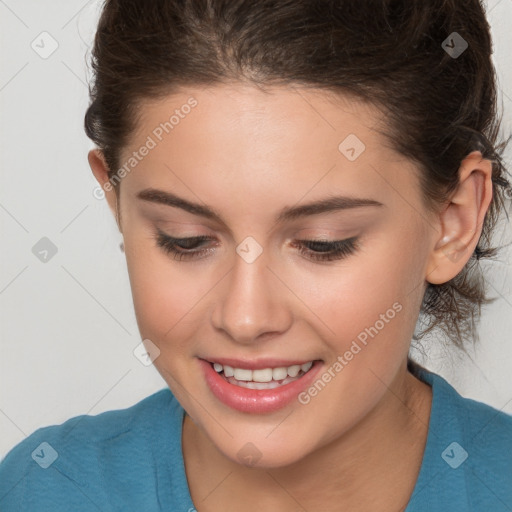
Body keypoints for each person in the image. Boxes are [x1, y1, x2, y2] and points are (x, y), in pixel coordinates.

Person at [1, 0, 511, 510]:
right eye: (184, 239)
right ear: (118, 204)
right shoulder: (43, 490)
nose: (245, 319)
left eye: (323, 244)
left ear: (452, 221)